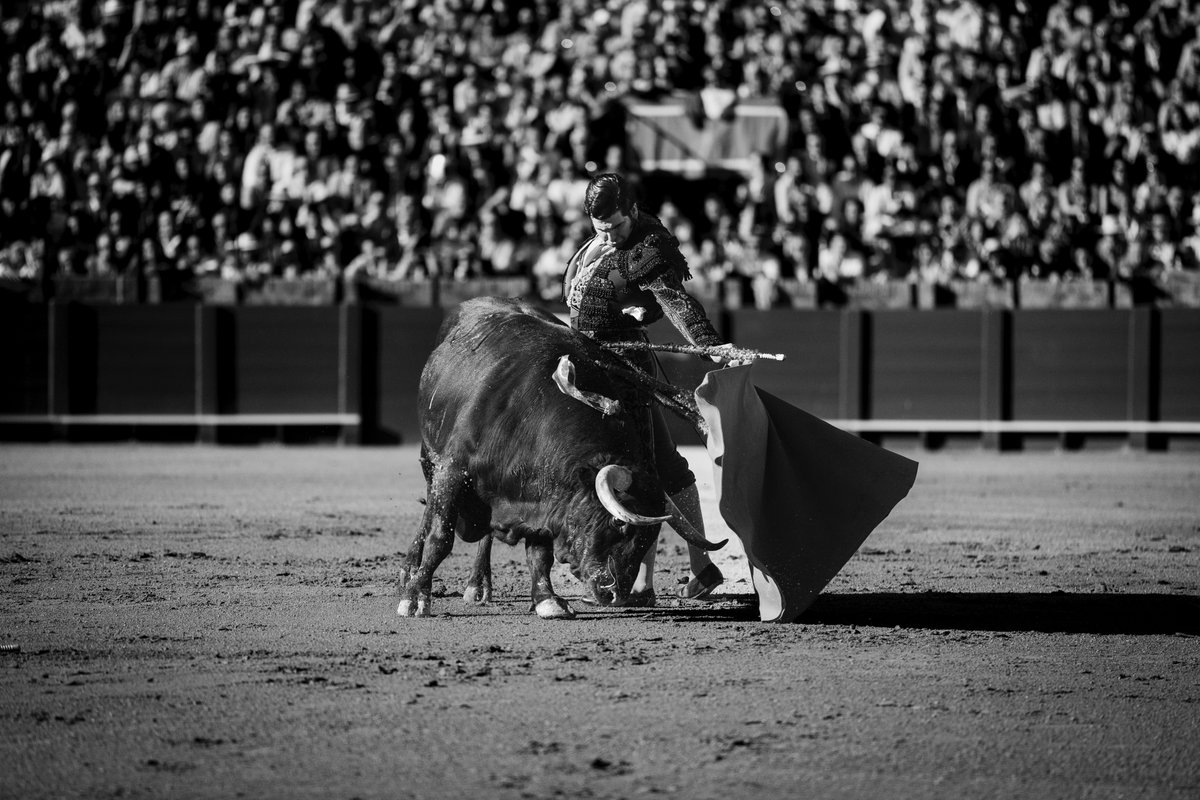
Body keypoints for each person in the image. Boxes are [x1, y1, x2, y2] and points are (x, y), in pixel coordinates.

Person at [563, 173, 730, 605]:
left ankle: (672, 572)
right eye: (601, 229)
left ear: (632, 211)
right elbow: (575, 298)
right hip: (591, 368)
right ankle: (656, 578)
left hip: (624, 373)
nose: (611, 236)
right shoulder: (597, 243)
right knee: (647, 468)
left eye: (617, 226)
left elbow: (675, 301)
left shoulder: (648, 245)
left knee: (654, 469)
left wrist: (708, 345)